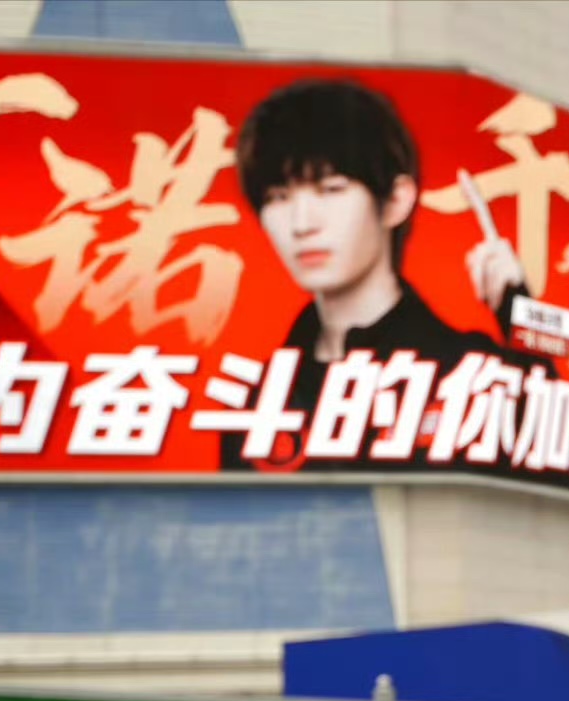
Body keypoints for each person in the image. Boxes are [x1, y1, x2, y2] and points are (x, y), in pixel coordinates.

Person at [226, 77, 538, 472]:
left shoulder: (470, 371)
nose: (301, 224)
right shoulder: (261, 400)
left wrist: (522, 315)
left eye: (331, 189)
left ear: (395, 201)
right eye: (278, 197)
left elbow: (565, 479)